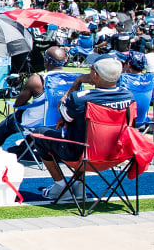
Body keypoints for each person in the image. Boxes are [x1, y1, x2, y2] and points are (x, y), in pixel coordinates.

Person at [34, 57, 134, 200]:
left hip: (83, 156)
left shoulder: (81, 98)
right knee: (83, 130)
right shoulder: (129, 97)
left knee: (40, 134)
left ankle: (61, 186)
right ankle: (79, 185)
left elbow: (61, 108)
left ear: (95, 75)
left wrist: (78, 81)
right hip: (117, 155)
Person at [0, 68, 45, 148]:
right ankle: (25, 147)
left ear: (46, 61)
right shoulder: (65, 80)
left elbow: (18, 104)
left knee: (11, 120)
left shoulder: (36, 80)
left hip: (35, 123)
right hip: (56, 126)